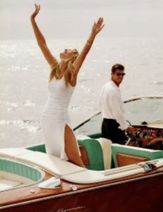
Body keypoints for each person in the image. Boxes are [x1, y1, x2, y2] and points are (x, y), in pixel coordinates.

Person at [30, 4, 104, 167]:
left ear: (71, 57)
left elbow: (85, 52)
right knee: (56, 159)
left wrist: (92, 34)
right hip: (47, 118)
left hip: (60, 119)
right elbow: (42, 44)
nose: (64, 48)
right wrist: (33, 20)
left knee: (75, 160)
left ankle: (89, 188)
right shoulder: (54, 69)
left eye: (69, 49)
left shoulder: (71, 74)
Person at [99, 64, 133, 144]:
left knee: (107, 151)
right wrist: (126, 127)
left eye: (122, 74)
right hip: (113, 126)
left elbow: (100, 103)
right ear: (112, 74)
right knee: (119, 149)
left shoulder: (105, 86)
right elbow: (117, 113)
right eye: (118, 74)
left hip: (105, 124)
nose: (121, 76)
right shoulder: (113, 90)